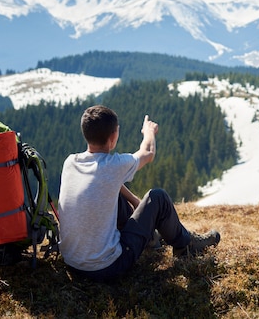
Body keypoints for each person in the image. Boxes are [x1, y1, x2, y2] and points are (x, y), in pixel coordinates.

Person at [58, 105, 220, 281]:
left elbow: (109, 182)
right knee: (157, 197)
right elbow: (148, 153)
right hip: (107, 267)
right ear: (113, 137)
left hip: (72, 264)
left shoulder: (70, 162)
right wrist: (149, 131)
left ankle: (150, 238)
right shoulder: (113, 165)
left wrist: (135, 201)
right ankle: (185, 245)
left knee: (115, 196)